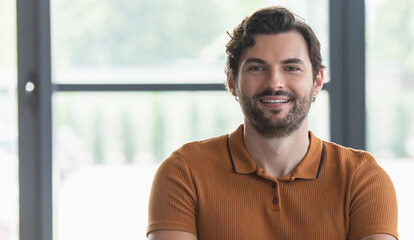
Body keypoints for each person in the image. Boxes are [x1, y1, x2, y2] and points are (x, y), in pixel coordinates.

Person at [146, 6, 398, 240]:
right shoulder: (183, 172)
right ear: (232, 82)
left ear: (317, 81)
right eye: (257, 68)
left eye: (291, 68)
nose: (275, 82)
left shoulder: (362, 178)